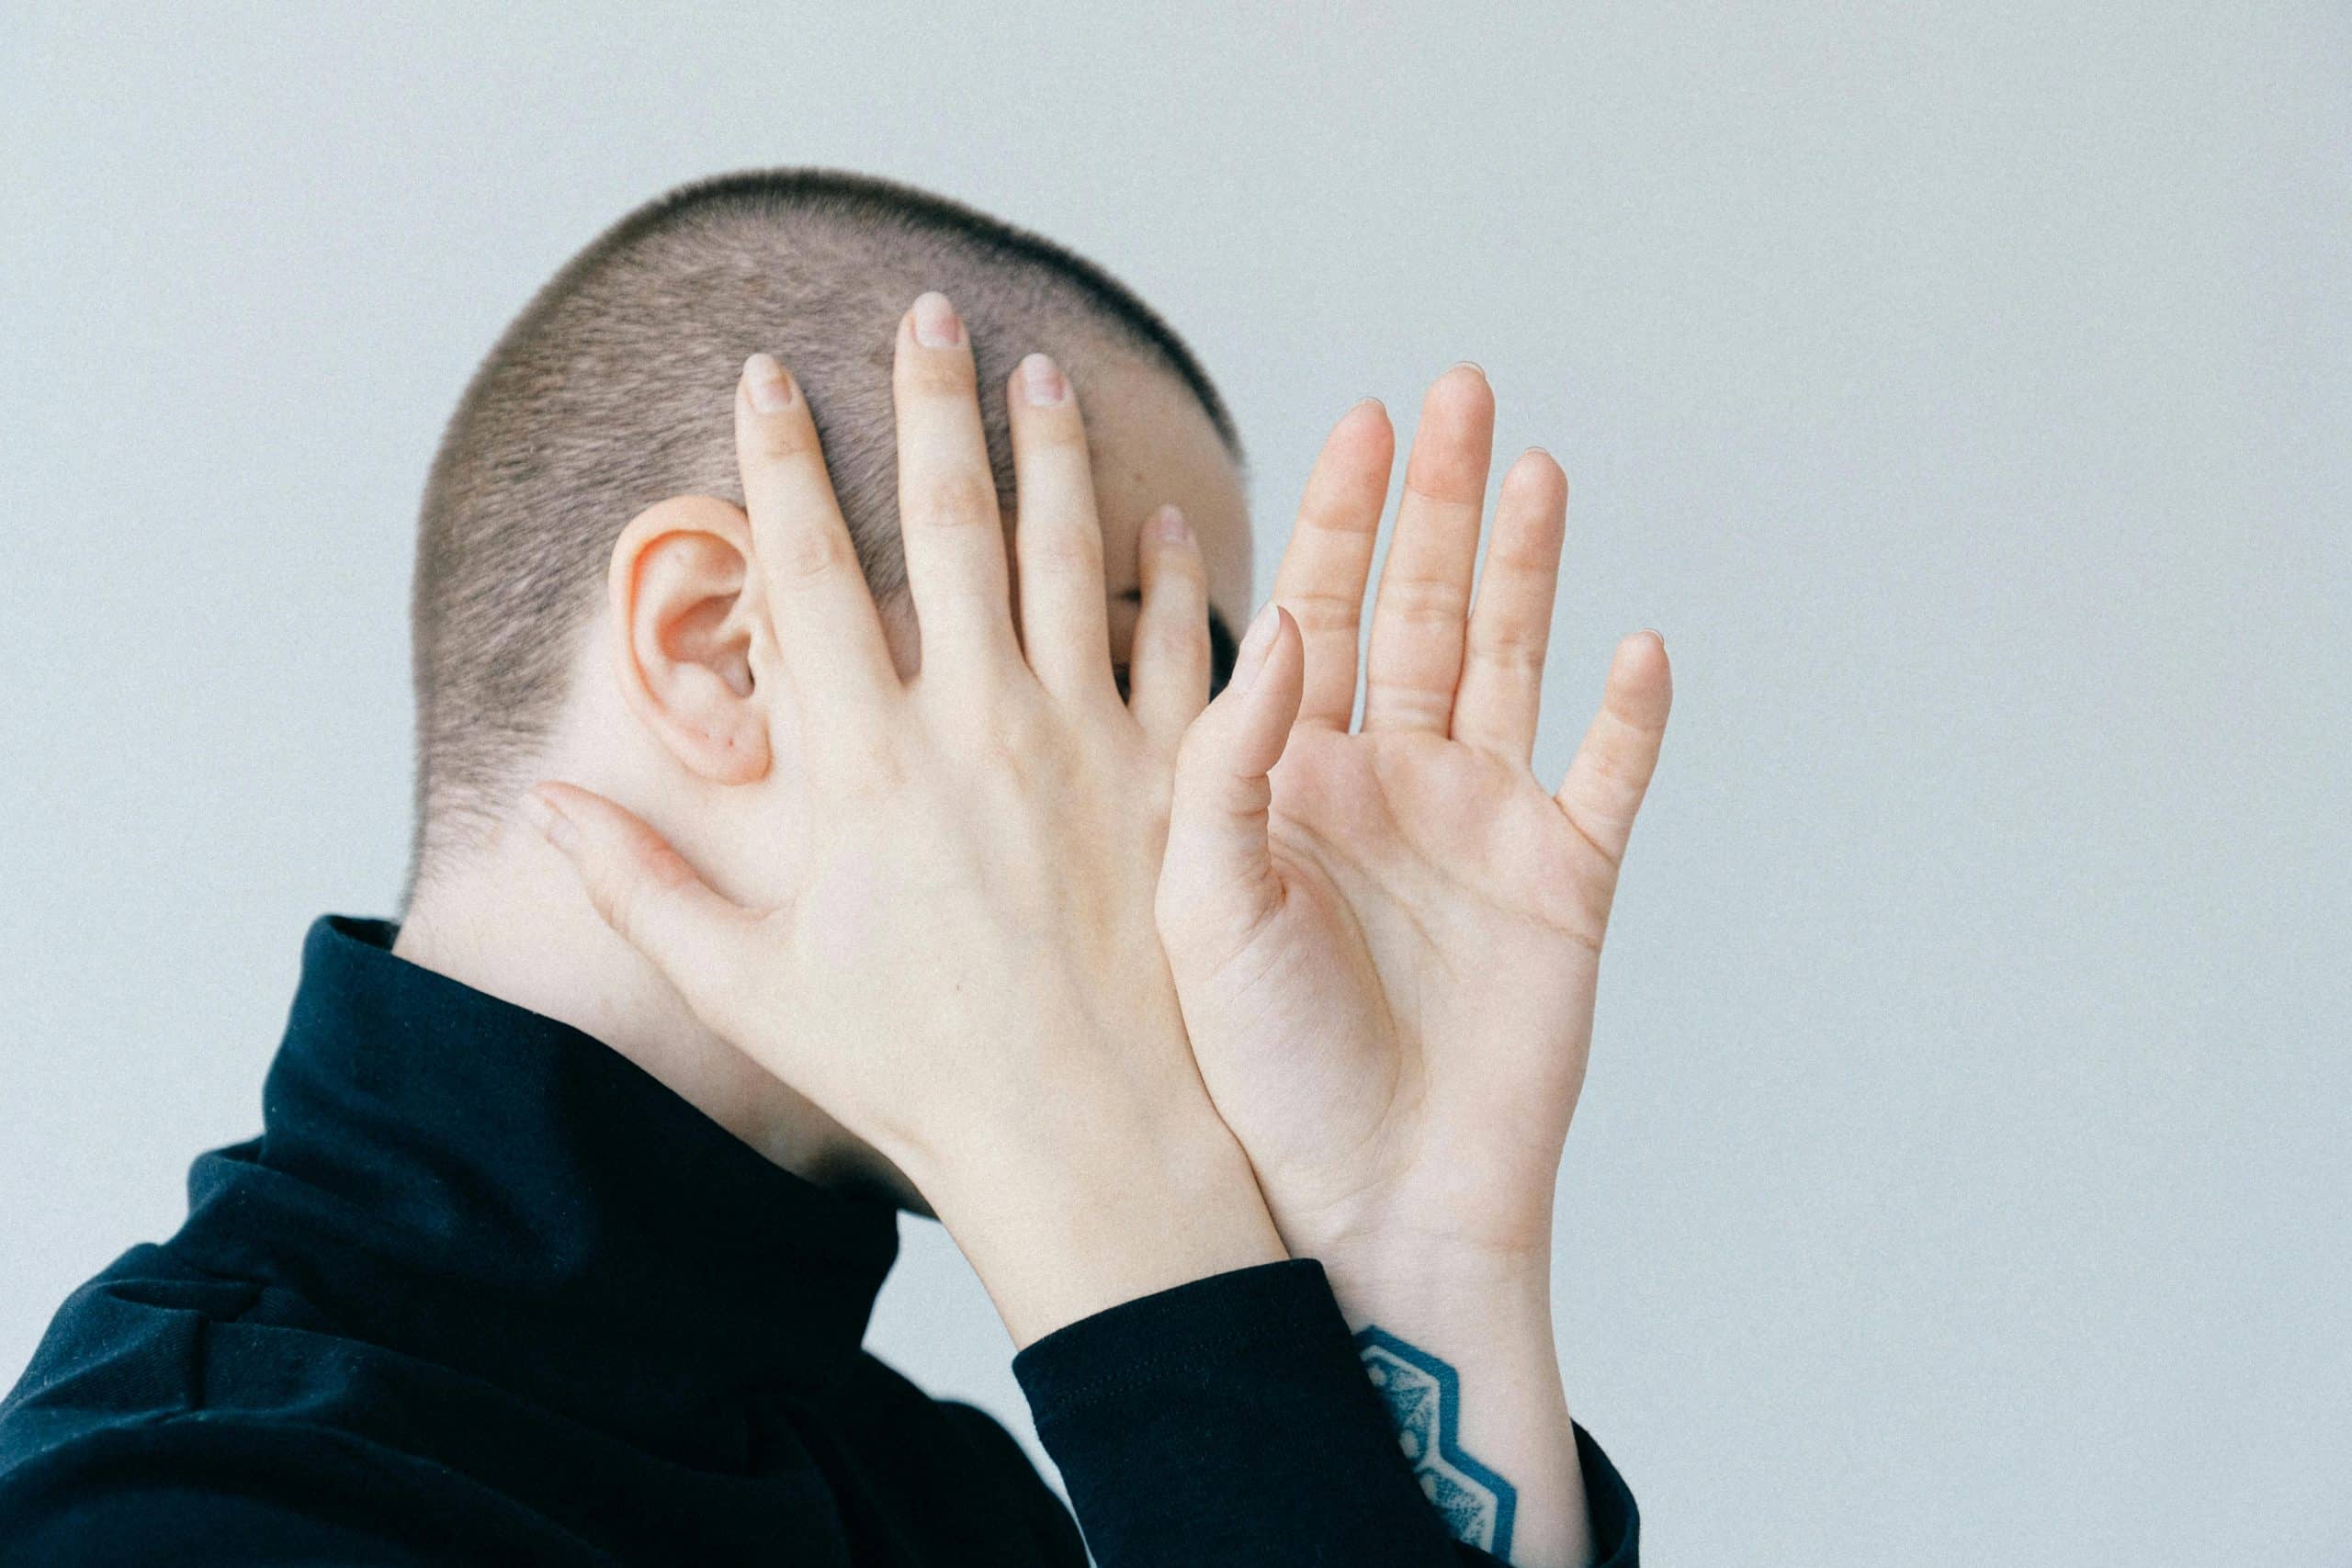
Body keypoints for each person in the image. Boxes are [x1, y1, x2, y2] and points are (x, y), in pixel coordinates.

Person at [0, 172, 1668, 1565]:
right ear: (726, 647)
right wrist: (1100, 1169)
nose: (1216, 823)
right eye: (1125, 679)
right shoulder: (178, 1509)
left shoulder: (950, 1510)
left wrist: (1423, 1253)